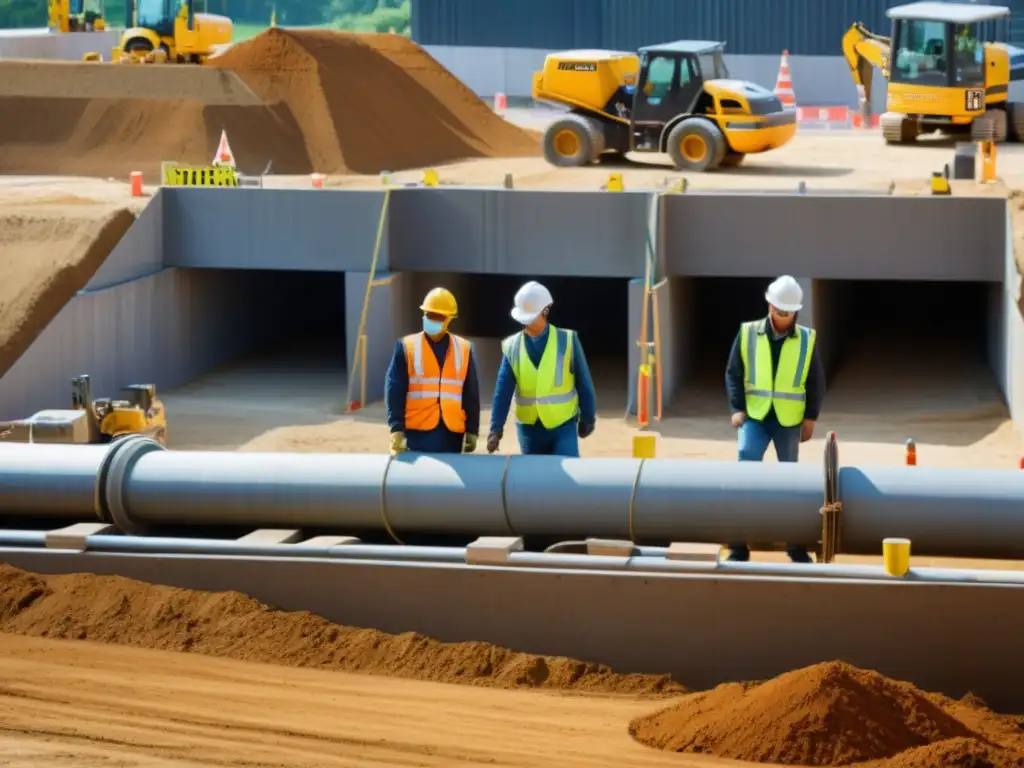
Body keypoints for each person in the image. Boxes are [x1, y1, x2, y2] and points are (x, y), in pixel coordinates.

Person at [724, 274, 826, 564]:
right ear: (769, 306)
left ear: (796, 311)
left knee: (790, 482)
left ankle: (795, 544)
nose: (783, 317)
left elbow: (815, 381)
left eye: (788, 312)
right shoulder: (748, 333)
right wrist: (736, 408)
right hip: (754, 416)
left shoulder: (806, 339)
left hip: (788, 421)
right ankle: (738, 545)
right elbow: (733, 372)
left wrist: (811, 418)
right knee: (745, 472)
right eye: (779, 311)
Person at [487, 281, 597, 457]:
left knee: (565, 480)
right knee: (535, 482)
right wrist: (495, 429)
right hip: (530, 430)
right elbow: (503, 390)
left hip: (563, 426)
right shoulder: (512, 346)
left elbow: (583, 382)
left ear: (545, 311)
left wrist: (588, 417)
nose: (526, 322)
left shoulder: (567, 340)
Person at [385, 287, 480, 455]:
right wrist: (396, 428)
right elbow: (395, 389)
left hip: (451, 433)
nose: (432, 320)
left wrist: (472, 429)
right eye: (429, 315)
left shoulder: (464, 349)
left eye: (438, 317)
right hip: (417, 432)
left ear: (449, 319)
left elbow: (470, 393)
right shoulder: (406, 347)